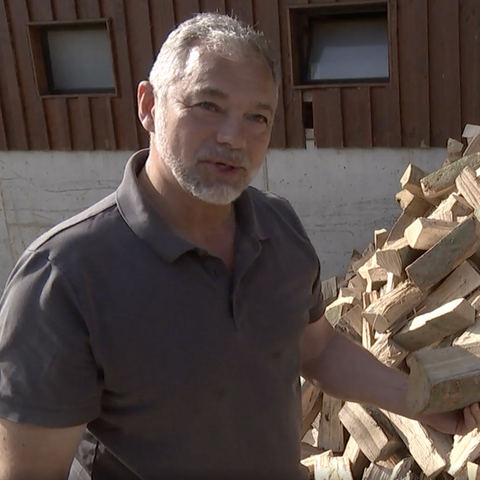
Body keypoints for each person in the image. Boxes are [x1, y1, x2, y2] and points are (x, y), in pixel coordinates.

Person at [0, 12, 478, 480]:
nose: (234, 138)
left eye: (257, 117)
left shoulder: (278, 228)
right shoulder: (62, 278)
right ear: (148, 105)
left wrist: (425, 404)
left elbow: (316, 351)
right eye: (207, 105)